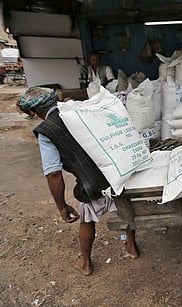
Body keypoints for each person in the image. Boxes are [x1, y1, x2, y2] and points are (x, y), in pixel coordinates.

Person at [17, 87, 138, 276]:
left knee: (87, 219)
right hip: (117, 171)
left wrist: (61, 206)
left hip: (92, 183)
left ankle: (85, 262)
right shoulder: (77, 109)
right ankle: (131, 247)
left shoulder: (46, 131)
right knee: (122, 211)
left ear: (34, 112)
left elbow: (54, 174)